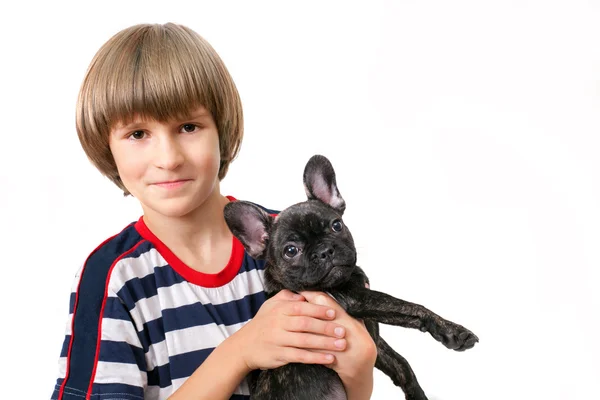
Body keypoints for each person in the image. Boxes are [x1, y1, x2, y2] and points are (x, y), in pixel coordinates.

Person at [51, 23, 377, 400]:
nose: (168, 159)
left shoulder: (292, 246)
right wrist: (240, 352)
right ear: (106, 146)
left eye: (188, 127)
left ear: (221, 130)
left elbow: (346, 377)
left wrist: (358, 371)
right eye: (138, 134)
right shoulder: (113, 279)